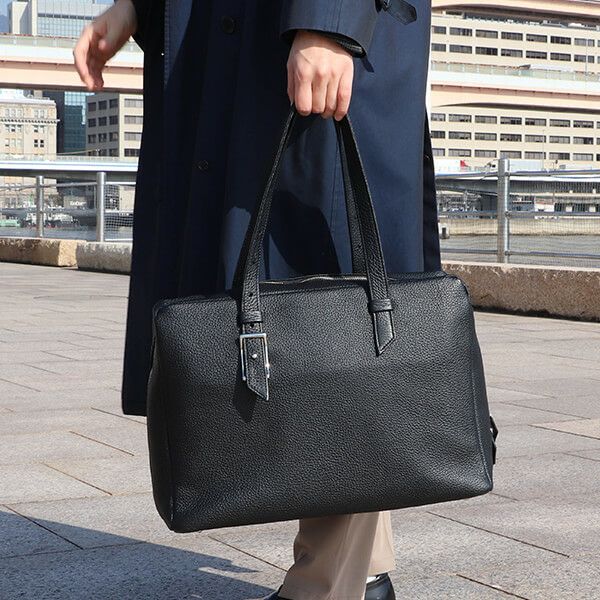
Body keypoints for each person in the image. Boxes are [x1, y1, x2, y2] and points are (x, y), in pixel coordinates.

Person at [74, 1, 441, 599]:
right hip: (239, 46)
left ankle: (326, 587)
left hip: (317, 32)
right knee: (320, 312)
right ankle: (364, 572)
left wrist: (330, 19)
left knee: (336, 304)